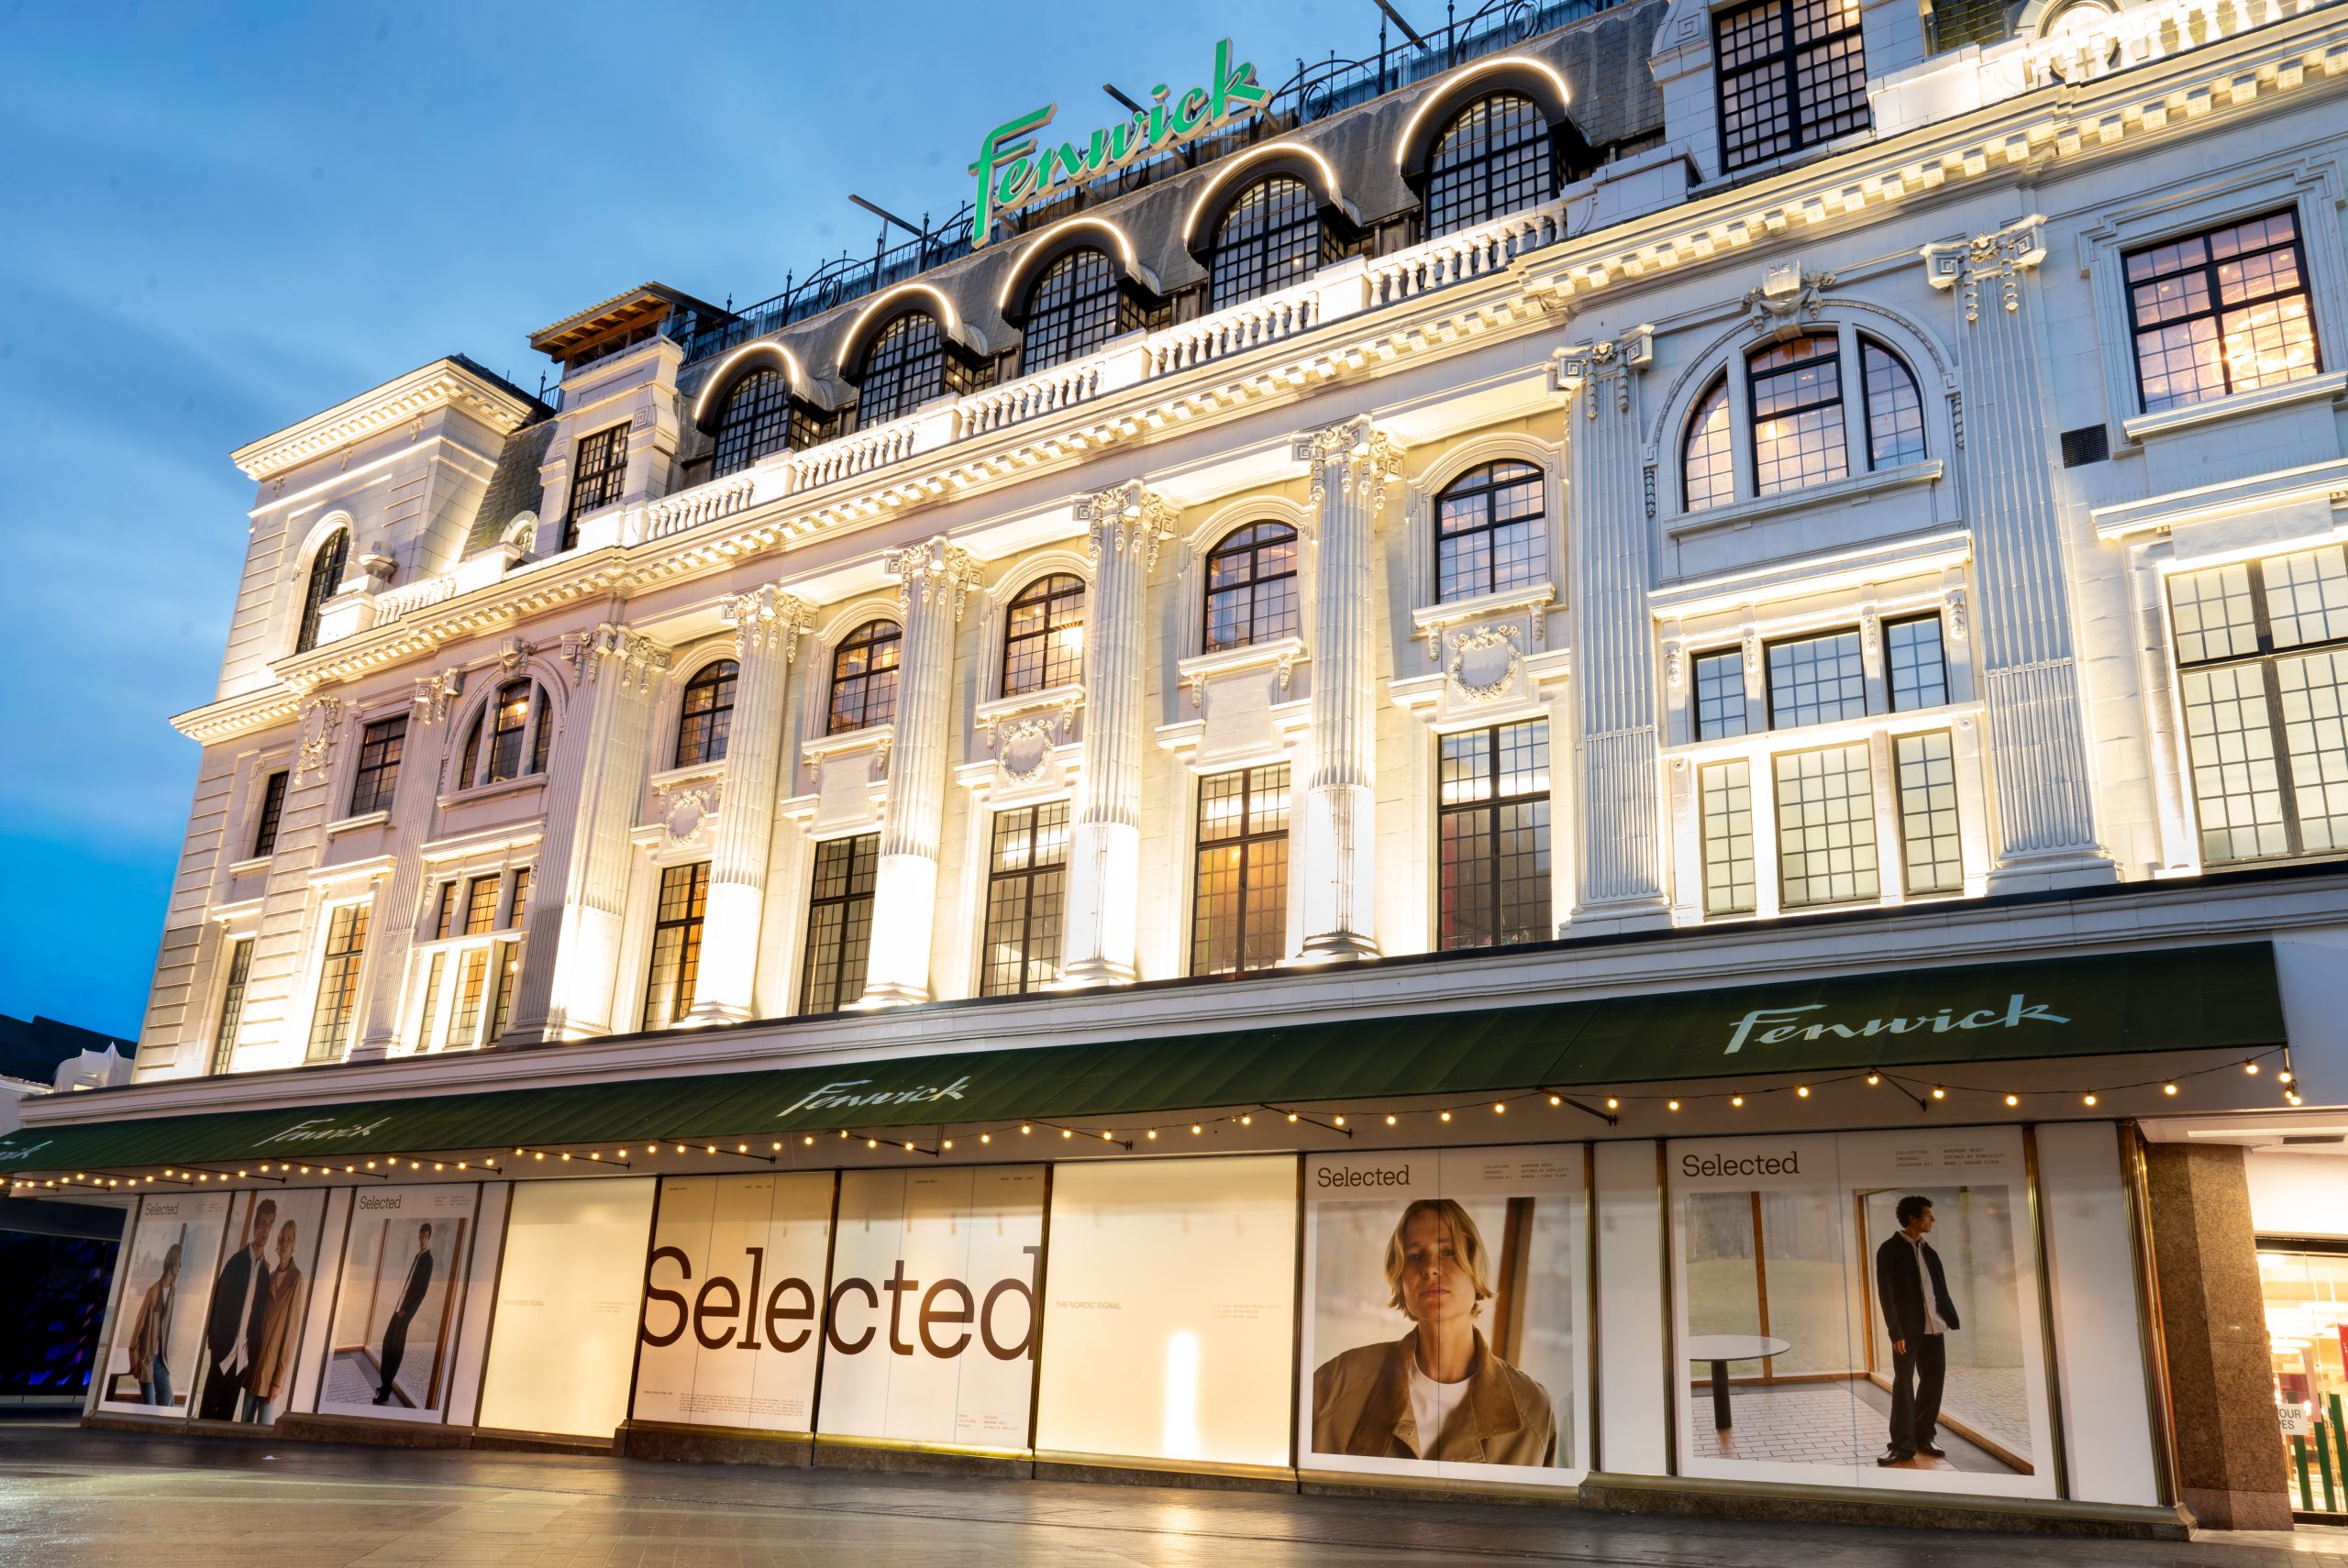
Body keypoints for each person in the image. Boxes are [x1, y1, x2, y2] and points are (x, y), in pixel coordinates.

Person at [1311, 1198, 1557, 1465]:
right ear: (1400, 1280)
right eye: (1415, 1256)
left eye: (1448, 1252)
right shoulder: (1336, 1383)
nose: (1429, 1268)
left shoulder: (1534, 1410)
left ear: (1475, 1270)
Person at [1874, 1193, 1961, 1465]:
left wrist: (1947, 1318)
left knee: (1933, 1385)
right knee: (1903, 1385)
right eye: (1927, 1214)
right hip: (1907, 1333)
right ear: (1912, 1217)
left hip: (1935, 1330)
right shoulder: (1888, 1250)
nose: (1932, 1219)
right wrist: (1895, 1332)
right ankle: (1901, 1445)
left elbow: (1940, 1291)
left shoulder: (1930, 1253)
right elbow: (1886, 1295)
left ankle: (1924, 1437)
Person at [198, 1198, 276, 1420]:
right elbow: (218, 1303)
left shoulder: (264, 1274)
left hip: (242, 1357)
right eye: (262, 1223)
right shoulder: (235, 1263)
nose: (265, 1229)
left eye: (269, 1224)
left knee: (226, 1417)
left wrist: (251, 1351)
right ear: (255, 1227)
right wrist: (214, 1343)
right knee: (206, 1415)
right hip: (223, 1352)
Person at [241, 1219, 304, 1423]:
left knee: (263, 1433)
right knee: (243, 1428)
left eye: (289, 1239)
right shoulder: (270, 1275)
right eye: (282, 1239)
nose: (284, 1244)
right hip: (255, 1362)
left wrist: (278, 1380)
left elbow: (292, 1333)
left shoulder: (296, 1279)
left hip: (271, 1370)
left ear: (294, 1244)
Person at [374, 1221, 434, 1407]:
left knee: (395, 1351)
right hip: (398, 1308)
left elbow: (421, 1292)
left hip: (404, 1312)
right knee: (387, 1343)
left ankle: (385, 1392)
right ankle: (384, 1384)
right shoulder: (418, 1256)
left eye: (425, 1237)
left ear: (429, 1238)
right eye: (420, 1236)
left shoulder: (428, 1260)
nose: (422, 1240)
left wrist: (406, 1312)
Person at [127, 1242, 181, 1408]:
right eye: (179, 1263)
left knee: (167, 1399)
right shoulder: (153, 1292)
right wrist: (134, 1358)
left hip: (160, 1360)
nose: (180, 1267)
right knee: (148, 1407)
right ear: (173, 1264)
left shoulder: (172, 1291)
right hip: (146, 1358)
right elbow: (139, 1326)